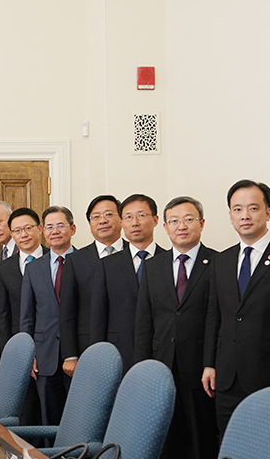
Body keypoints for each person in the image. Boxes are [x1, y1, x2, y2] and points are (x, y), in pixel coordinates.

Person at [135, 196, 218, 459]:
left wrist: (211, 363)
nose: (181, 226)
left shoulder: (217, 263)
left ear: (201, 223)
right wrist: (143, 369)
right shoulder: (153, 266)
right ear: (165, 226)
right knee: (165, 441)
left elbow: (217, 319)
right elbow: (144, 322)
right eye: (174, 221)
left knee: (200, 441)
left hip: (200, 370)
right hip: (161, 366)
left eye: (188, 219)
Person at [203, 180, 270, 435]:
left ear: (268, 212)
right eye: (237, 209)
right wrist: (209, 364)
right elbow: (214, 316)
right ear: (230, 216)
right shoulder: (221, 260)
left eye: (253, 208)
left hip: (265, 373)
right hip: (227, 376)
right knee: (229, 442)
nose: (245, 216)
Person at [91, 194, 164, 375]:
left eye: (141, 215)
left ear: (155, 220)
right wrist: (98, 357)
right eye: (128, 217)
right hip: (118, 353)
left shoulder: (168, 261)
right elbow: (99, 316)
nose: (135, 223)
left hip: (161, 352)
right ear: (122, 222)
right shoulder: (107, 265)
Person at [20, 206, 76, 425]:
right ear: (43, 231)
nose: (55, 231)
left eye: (60, 225)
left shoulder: (86, 262)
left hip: (79, 354)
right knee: (49, 419)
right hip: (44, 355)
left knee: (79, 418)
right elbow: (27, 316)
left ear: (72, 228)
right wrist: (29, 354)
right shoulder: (34, 268)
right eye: (50, 227)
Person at [59, 195, 124, 377]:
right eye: (95, 217)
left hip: (129, 344)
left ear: (121, 219)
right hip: (87, 347)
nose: (102, 221)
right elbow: (67, 311)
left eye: (108, 214)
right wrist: (70, 354)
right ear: (89, 224)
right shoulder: (76, 260)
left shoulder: (136, 253)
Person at [0, 207, 46, 426]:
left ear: (39, 229)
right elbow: (2, 314)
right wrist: (11, 353)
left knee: (53, 408)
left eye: (28, 228)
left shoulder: (57, 260)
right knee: (25, 410)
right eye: (17, 231)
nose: (23, 235)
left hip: (52, 347)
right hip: (20, 347)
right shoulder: (3, 268)